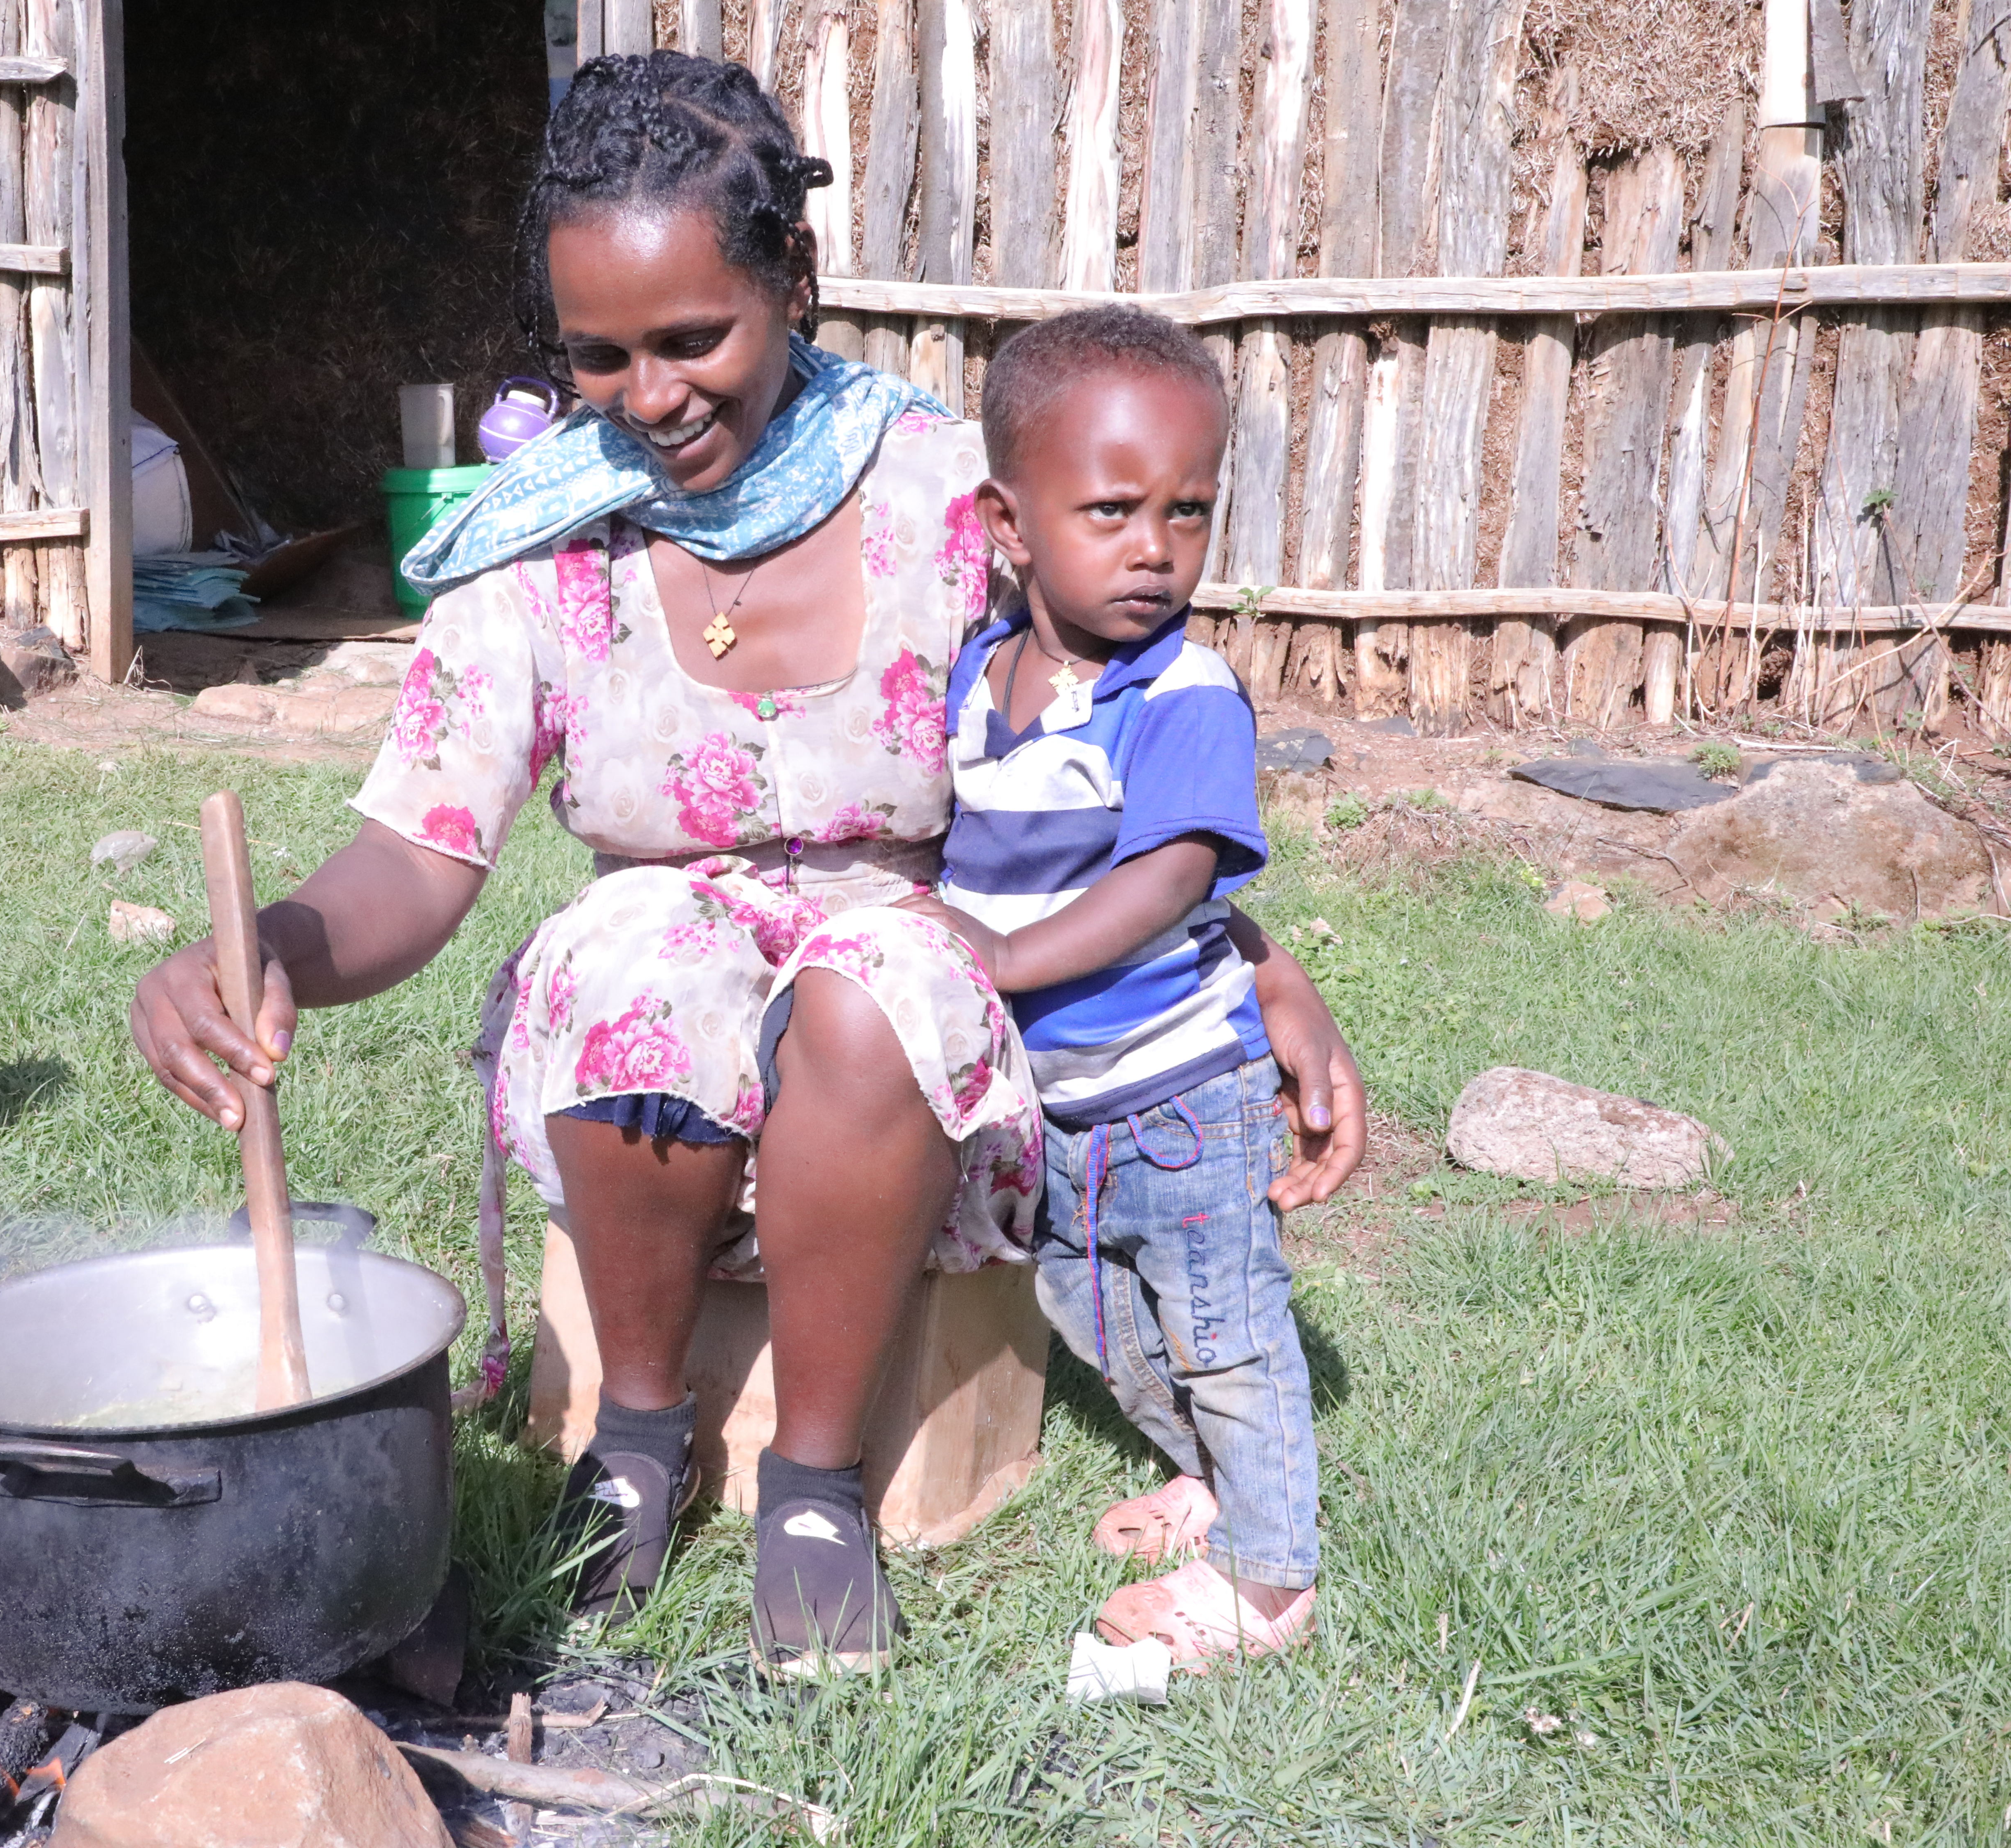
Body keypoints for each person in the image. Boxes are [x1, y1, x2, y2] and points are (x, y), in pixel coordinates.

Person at [130, 52, 1365, 1679]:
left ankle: (814, 1485)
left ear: (794, 277)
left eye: (692, 337)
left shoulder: (949, 495)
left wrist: (1255, 959)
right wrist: (273, 941)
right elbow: (414, 855)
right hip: (662, 971)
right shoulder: (542, 539)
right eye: (599, 357)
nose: (649, 396)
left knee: (878, 988)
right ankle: (637, 1435)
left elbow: (1117, 754)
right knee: (629, 968)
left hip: (924, 968)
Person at [933, 306, 1320, 1662]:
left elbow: (1173, 876)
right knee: (1092, 1312)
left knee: (1226, 1331)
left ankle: (1274, 1585)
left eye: (1189, 512)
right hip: (1063, 1113)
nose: (1157, 550)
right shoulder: (976, 683)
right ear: (1007, 522)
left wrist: (1004, 963)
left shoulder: (1184, 693)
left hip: (1182, 1097)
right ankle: (1210, 1481)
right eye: (1111, 511)